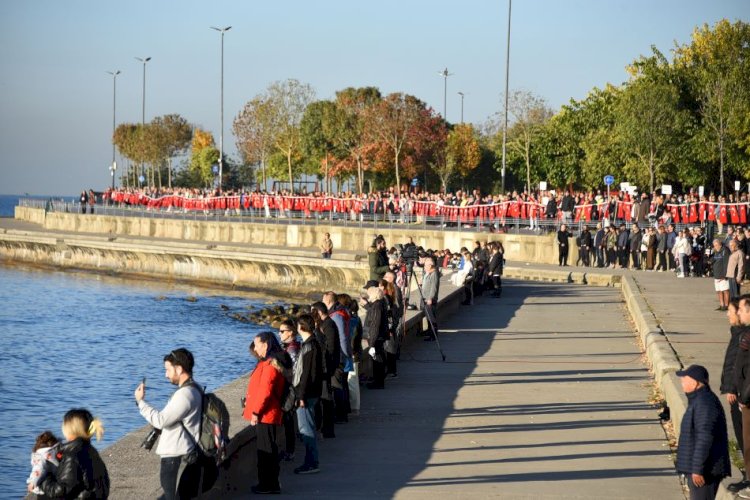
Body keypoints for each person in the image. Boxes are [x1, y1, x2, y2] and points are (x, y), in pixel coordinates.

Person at [134, 348, 205, 499]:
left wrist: (140, 402)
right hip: (183, 452)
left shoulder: (185, 394)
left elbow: (161, 420)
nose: (166, 374)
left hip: (175, 456)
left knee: (172, 496)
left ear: (179, 369)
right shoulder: (194, 388)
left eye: (167, 369)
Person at [244, 331, 290, 494]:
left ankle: (268, 484)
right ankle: (270, 483)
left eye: (256, 344)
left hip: (267, 413)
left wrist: (256, 411)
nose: (254, 348)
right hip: (269, 412)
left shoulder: (271, 364)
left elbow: (266, 390)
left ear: (265, 345)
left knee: (266, 450)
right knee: (268, 448)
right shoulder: (271, 361)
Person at [675, 365, 730, 500]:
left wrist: (698, 469)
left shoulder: (705, 404)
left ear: (694, 383)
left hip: (706, 470)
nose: (681, 382)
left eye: (684, 379)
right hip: (701, 468)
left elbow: (705, 438)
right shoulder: (699, 400)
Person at [35, 409, 110, 498]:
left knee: (43, 494)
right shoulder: (89, 450)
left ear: (70, 430)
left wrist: (42, 479)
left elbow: (62, 490)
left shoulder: (72, 456)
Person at [721, 300, 747, 493]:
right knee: (741, 437)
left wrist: (733, 389)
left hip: (741, 395)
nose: (730, 314)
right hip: (738, 393)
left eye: (733, 310)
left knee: (745, 437)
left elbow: (738, 367)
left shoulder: (743, 336)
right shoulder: (737, 334)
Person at [293, 314, 324, 475]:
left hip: (307, 394)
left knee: (306, 429)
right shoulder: (313, 344)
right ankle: (311, 461)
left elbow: (306, 375)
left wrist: (301, 396)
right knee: (308, 427)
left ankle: (311, 462)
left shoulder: (309, 347)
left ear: (301, 327)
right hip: (312, 392)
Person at [311, 302, 341, 439]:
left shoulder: (328, 324)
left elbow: (330, 347)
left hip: (325, 368)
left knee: (326, 398)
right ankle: (323, 427)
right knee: (322, 398)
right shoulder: (325, 324)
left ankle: (327, 429)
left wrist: (327, 367)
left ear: (318, 312)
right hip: (325, 367)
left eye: (313, 312)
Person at [278, 319, 300, 462]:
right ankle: (289, 449)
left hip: (290, 389)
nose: (279, 334)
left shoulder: (292, 349)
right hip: (292, 388)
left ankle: (290, 451)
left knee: (288, 420)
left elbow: (292, 371)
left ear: (291, 332)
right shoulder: (293, 346)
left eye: (282, 331)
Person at [361, 285, 389, 389]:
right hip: (379, 336)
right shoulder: (379, 304)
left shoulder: (377, 306)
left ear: (374, 295)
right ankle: (378, 381)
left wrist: (372, 343)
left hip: (376, 337)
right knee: (377, 358)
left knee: (377, 360)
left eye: (369, 295)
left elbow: (375, 325)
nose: (368, 297)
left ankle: (378, 382)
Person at [27, 431, 60, 495]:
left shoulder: (40, 456)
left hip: (44, 488)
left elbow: (39, 470)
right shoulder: (57, 451)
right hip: (57, 480)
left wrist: (33, 483)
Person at [421, 256, 440, 341]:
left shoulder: (434, 274)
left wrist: (430, 298)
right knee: (428, 317)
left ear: (430, 265)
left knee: (431, 317)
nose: (424, 267)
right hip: (425, 298)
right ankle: (429, 331)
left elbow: (434, 287)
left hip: (429, 299)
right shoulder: (427, 273)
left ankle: (433, 335)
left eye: (425, 265)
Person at [711, 239, 731, 311]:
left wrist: (725, 275)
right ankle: (722, 305)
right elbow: (712, 261)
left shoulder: (725, 251)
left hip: (723, 275)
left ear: (720, 244)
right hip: (716, 274)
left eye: (716, 245)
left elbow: (727, 263)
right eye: (714, 246)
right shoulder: (716, 251)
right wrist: (709, 255)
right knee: (719, 291)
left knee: (725, 290)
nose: (715, 247)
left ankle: (726, 305)